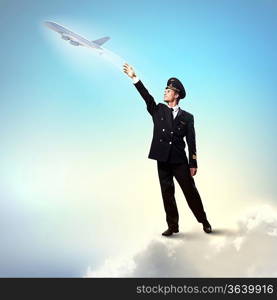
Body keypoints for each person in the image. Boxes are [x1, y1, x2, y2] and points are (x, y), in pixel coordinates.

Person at [123, 63, 212, 236]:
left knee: (190, 192)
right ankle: (173, 226)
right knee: (167, 194)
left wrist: (193, 162)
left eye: (168, 90)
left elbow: (192, 142)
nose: (165, 92)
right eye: (165, 89)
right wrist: (135, 78)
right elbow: (147, 97)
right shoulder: (158, 110)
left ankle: (204, 221)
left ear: (176, 95)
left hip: (179, 161)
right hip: (162, 159)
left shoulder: (187, 117)